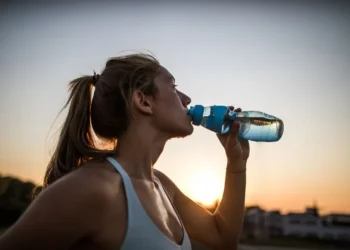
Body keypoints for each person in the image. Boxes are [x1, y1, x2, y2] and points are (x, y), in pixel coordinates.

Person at [0, 53, 249, 250]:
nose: (186, 99)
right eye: (173, 86)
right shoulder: (94, 188)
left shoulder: (162, 185)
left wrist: (236, 164)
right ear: (144, 101)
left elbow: (223, 239)